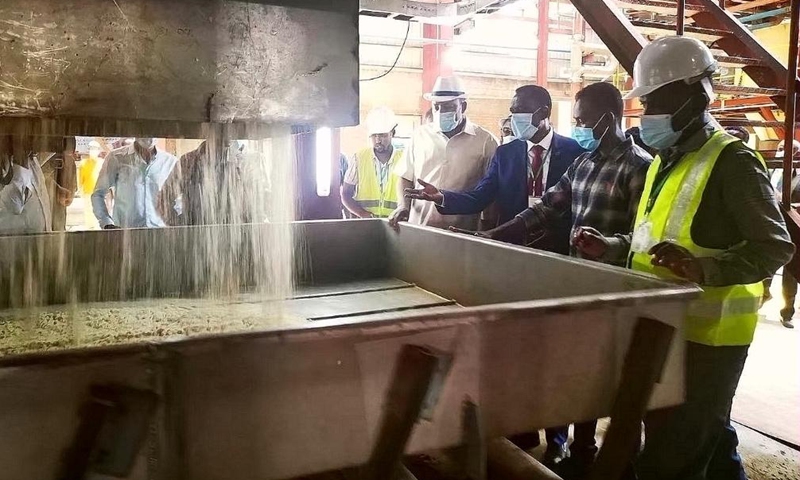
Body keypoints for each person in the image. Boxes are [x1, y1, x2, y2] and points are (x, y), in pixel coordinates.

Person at [572, 36, 794, 480]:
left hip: (708, 341)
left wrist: (703, 269)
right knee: (700, 440)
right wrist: (613, 246)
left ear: (697, 94)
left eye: (657, 99)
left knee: (671, 457)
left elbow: (776, 245)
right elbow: (651, 237)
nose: (647, 111)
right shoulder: (663, 159)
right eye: (645, 100)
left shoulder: (733, 162)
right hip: (661, 327)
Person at [416, 82, 651, 473]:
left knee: (599, 370)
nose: (579, 126)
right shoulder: (576, 163)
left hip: (601, 280)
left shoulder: (620, 162)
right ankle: (543, 432)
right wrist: (490, 235)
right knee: (553, 358)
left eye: (583, 120)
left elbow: (645, 232)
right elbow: (544, 207)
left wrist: (608, 245)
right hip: (556, 272)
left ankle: (583, 446)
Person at [403, 85, 585, 255]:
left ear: (544, 112)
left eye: (520, 111)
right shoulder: (506, 154)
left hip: (557, 245)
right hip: (513, 245)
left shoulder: (575, 152)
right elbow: (479, 197)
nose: (514, 118)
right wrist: (442, 197)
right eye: (512, 112)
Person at [388, 76, 499, 231]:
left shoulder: (486, 142)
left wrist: (489, 226)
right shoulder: (419, 136)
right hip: (420, 227)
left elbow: (492, 191)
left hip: (463, 231)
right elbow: (405, 175)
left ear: (463, 106)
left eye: (448, 107)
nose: (440, 112)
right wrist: (403, 206)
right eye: (436, 107)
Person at [92, 137, 178, 229]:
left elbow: (178, 197)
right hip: (125, 232)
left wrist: (176, 221)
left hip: (160, 232)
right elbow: (98, 194)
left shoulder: (170, 162)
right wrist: (107, 223)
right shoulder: (116, 158)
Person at [341, 107, 403, 219]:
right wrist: (363, 214)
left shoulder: (404, 159)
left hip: (396, 225)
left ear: (392, 133)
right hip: (365, 226)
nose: (378, 140)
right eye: (374, 136)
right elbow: (345, 194)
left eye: (382, 135)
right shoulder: (359, 158)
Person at [764, 139, 800, 328]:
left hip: (792, 229)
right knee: (766, 266)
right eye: (780, 149)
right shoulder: (770, 170)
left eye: (789, 150)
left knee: (790, 275)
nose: (783, 153)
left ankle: (787, 313)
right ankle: (764, 294)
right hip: (769, 226)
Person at [0, 152, 52, 235]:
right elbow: (14, 205)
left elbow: (33, 183)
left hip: (39, 241)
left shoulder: (29, 158)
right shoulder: (12, 159)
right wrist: (20, 159)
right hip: (15, 243)